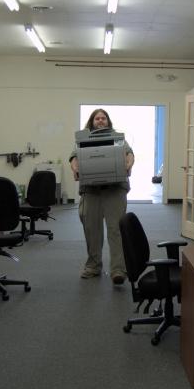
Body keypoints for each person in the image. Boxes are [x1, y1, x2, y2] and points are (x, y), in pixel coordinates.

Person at [69, 108, 134, 284]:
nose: (100, 121)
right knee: (92, 230)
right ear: (91, 122)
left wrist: (128, 166)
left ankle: (118, 270)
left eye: (103, 118)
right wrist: (76, 169)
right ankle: (93, 266)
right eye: (97, 118)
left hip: (114, 190)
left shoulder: (118, 138)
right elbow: (74, 158)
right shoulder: (81, 140)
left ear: (108, 121)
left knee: (116, 230)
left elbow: (129, 154)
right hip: (91, 192)